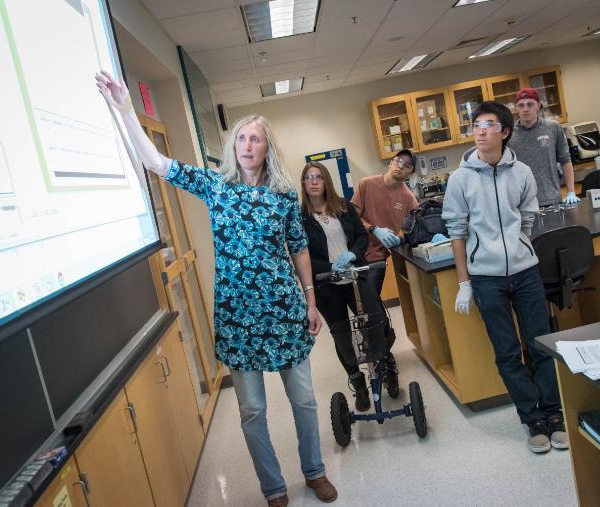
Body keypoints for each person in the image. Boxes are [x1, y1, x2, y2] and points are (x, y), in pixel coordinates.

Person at [95, 70, 336, 507]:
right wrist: (126, 109)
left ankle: (314, 471)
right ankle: (273, 488)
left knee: (303, 400)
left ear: (267, 149)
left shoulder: (283, 195)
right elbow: (156, 162)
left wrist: (310, 301)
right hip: (237, 318)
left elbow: (299, 250)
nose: (248, 146)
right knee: (252, 412)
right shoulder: (215, 187)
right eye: (241, 138)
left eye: (256, 139)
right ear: (233, 147)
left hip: (284, 312)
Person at [441, 101, 568, 454]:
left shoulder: (522, 172)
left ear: (505, 132)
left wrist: (516, 246)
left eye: (489, 124)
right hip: (485, 278)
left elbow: (527, 218)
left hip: (526, 272)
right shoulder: (460, 179)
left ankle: (554, 414)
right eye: (476, 124)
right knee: (508, 353)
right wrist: (465, 282)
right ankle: (533, 420)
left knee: (539, 344)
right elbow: (457, 231)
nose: (480, 130)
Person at [300, 161, 387, 412]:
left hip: (355, 276)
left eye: (318, 176)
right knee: (342, 336)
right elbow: (302, 255)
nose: (314, 181)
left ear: (326, 180)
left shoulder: (343, 207)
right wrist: (328, 266)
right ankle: (358, 383)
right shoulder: (301, 219)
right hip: (327, 284)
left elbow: (362, 236)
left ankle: (382, 364)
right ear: (303, 184)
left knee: (376, 320)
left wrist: (351, 254)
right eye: (308, 177)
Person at [350, 149, 419, 394]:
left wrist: (400, 239)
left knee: (372, 311)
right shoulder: (367, 184)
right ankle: (379, 355)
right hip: (354, 254)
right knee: (363, 314)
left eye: (408, 165)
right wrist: (374, 229)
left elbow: (413, 228)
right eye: (399, 161)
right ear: (391, 162)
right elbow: (352, 217)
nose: (401, 166)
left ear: (411, 172)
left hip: (377, 260)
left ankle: (383, 358)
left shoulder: (409, 198)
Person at [508, 87, 579, 207]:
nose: (525, 109)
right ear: (516, 108)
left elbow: (565, 160)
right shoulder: (509, 135)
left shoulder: (553, 128)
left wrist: (571, 192)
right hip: (523, 204)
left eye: (530, 104)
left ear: (538, 106)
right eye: (521, 105)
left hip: (552, 199)